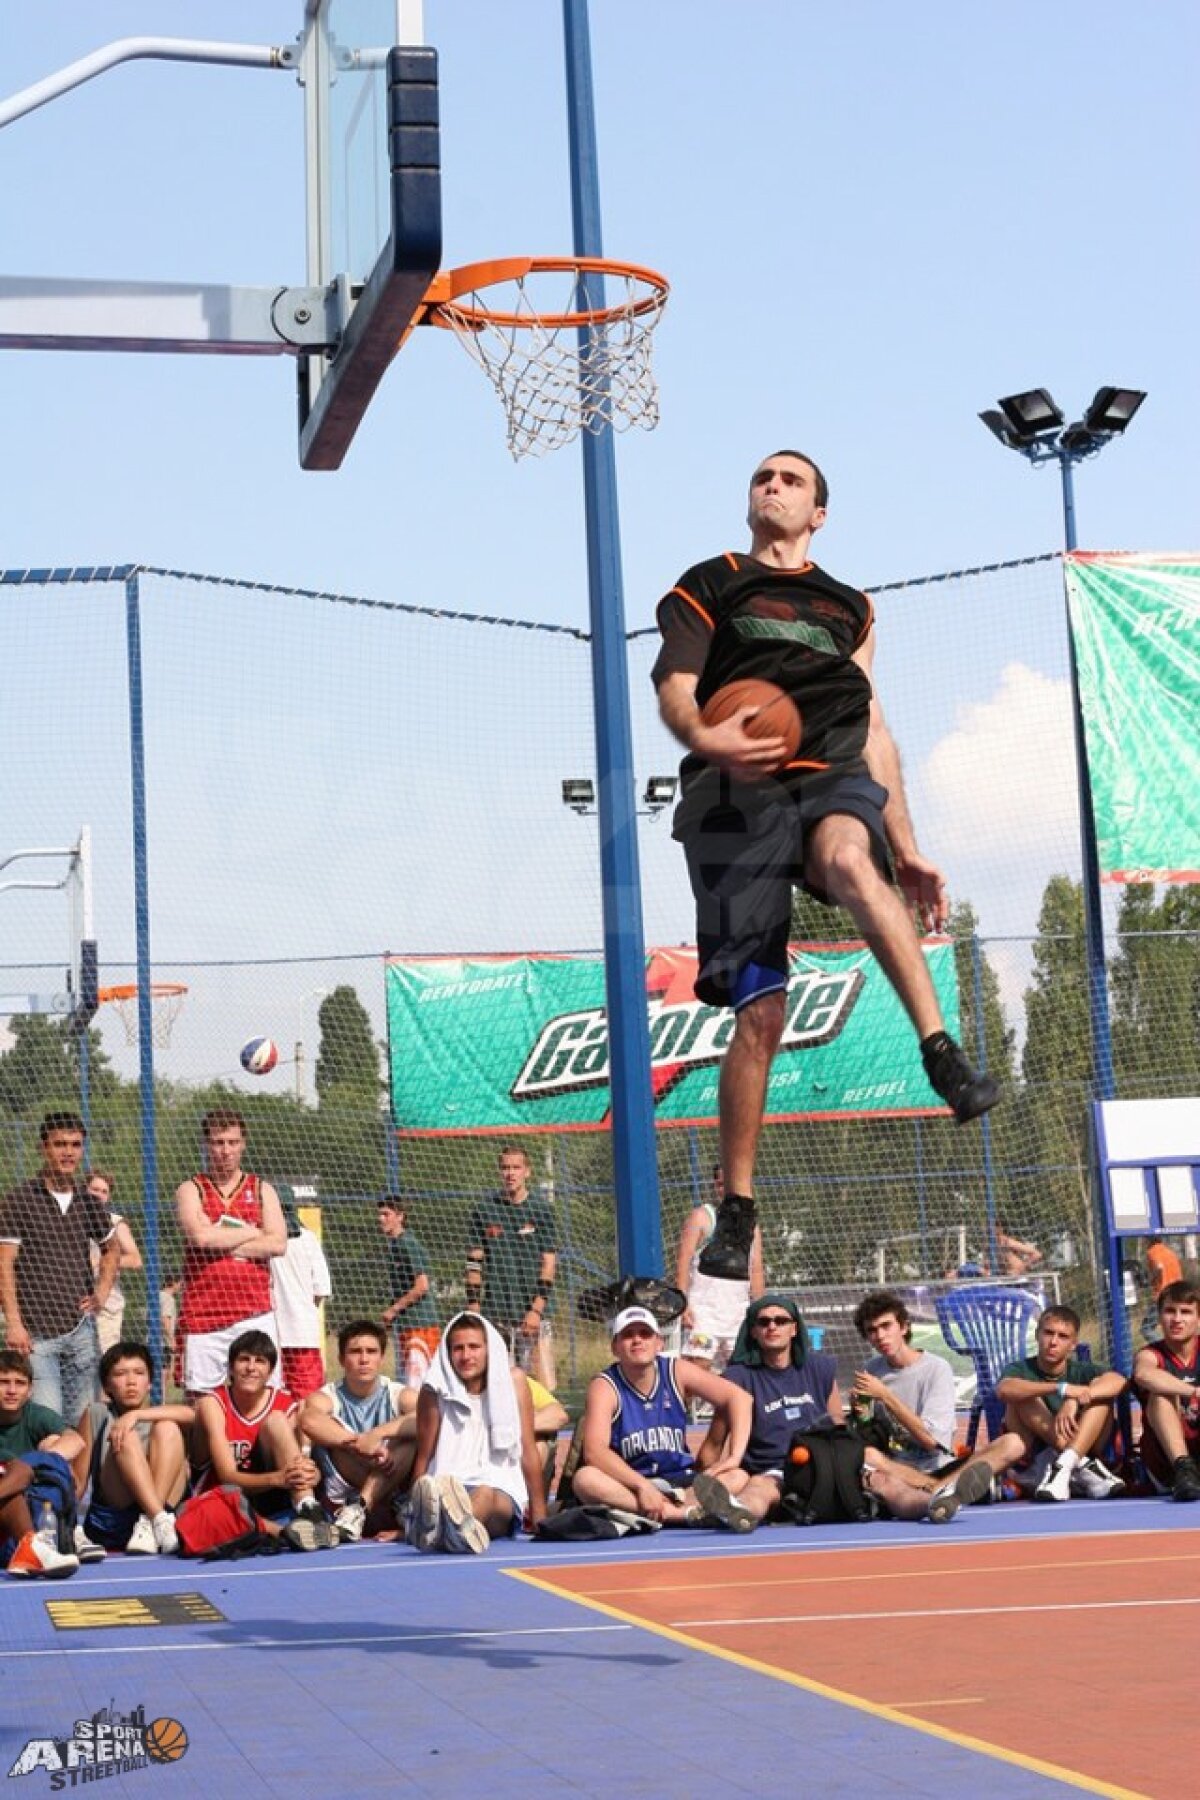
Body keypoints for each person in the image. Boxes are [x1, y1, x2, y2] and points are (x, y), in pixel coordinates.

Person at [652, 451, 999, 1279]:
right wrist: (704, 735)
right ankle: (737, 1206)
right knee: (761, 1017)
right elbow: (674, 682)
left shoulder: (852, 607)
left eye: (791, 480)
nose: (773, 486)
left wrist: (907, 846)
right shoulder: (713, 580)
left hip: (829, 769)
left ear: (820, 513)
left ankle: (939, 1050)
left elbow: (874, 724)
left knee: (851, 858)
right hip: (736, 789)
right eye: (762, 478)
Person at [849, 1289, 1023, 1522]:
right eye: (872, 1330)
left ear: (904, 1327)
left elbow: (931, 1441)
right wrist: (861, 1414)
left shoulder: (936, 1368)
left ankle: (938, 1488)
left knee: (1013, 1443)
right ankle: (946, 1493)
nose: (880, 1336)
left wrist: (886, 1396)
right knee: (867, 1455)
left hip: (940, 1467)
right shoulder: (872, 1369)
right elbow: (869, 1433)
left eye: (886, 1326)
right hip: (897, 1471)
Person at [572, 1306, 751, 1527]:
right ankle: (683, 1514)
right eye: (628, 1335)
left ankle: (678, 1510)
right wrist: (642, 1486)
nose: (637, 1340)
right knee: (586, 1479)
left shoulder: (676, 1371)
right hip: (631, 1482)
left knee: (738, 1475)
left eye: (645, 1334)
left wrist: (734, 1456)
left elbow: (740, 1398)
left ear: (659, 1343)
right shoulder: (605, 1386)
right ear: (615, 1347)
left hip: (682, 1482)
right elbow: (594, 1451)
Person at [0, 1112, 119, 1420]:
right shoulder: (19, 1200)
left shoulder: (88, 1201)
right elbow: (4, 1264)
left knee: (83, 1423)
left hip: (81, 1331)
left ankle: (82, 1472)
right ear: (44, 1148)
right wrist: (13, 1323)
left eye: (76, 1145)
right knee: (49, 1421)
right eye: (60, 1144)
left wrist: (101, 1293)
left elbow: (111, 1249)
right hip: (36, 1335)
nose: (68, 1152)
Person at [406, 1311, 545, 1554]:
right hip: (448, 1486)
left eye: (474, 1347)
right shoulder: (434, 1390)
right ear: (448, 1353)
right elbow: (424, 1456)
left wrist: (540, 1514)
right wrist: (412, 1514)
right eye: (458, 1348)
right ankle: (452, 1532)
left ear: (489, 1349)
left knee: (485, 1493)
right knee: (457, 1497)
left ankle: (445, 1532)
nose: (466, 1355)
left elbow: (528, 1448)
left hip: (500, 1491)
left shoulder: (514, 1382)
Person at [175, 1109, 286, 1396]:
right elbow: (199, 1238)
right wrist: (253, 1231)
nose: (226, 1150)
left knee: (262, 1399)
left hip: (253, 1313)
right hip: (203, 1315)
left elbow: (277, 1244)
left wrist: (219, 1237)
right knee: (201, 1403)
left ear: (243, 1143)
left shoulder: (262, 1189)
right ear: (206, 1144)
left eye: (233, 1142)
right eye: (218, 1142)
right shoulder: (191, 1189)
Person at [190, 1328, 333, 1548]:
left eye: (260, 1361)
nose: (251, 1367)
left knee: (276, 1420)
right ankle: (287, 1532)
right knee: (226, 1510)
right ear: (230, 1367)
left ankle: (308, 1509)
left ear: (270, 1371)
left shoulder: (285, 1404)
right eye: (243, 1360)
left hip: (272, 1499)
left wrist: (309, 1472)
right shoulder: (214, 1403)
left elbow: (301, 1460)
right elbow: (228, 1476)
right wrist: (279, 1478)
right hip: (231, 1498)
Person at [299, 1320, 417, 1542]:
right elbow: (308, 1420)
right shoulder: (328, 1395)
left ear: (381, 1358)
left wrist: (377, 1435)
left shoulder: (398, 1393)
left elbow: (426, 1419)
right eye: (355, 1352)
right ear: (342, 1360)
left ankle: (360, 1507)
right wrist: (359, 1444)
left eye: (371, 1352)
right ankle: (356, 1509)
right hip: (342, 1505)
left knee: (408, 1436)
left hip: (389, 1502)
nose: (364, 1359)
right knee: (336, 1437)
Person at [995, 1305, 1127, 1501]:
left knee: (1101, 1398)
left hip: (1084, 1461)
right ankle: (1076, 1465)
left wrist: (1075, 1398)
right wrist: (1061, 1388)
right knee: (1022, 1396)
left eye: (1063, 1336)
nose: (1053, 1342)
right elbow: (1004, 1390)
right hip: (1038, 1468)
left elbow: (1119, 1382)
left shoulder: (1083, 1370)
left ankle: (1066, 1464)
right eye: (1048, 1333)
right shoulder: (1020, 1369)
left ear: (1073, 1344)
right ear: (1037, 1335)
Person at [73, 1341, 191, 1557]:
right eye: (120, 1374)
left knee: (168, 1428)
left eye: (139, 1373)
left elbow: (193, 1415)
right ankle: (155, 1517)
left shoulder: (164, 1414)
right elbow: (79, 1482)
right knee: (125, 1436)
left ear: (149, 1382)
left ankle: (152, 1521)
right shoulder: (97, 1413)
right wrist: (64, 1522)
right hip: (117, 1514)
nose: (131, 1381)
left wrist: (135, 1415)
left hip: (166, 1519)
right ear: (106, 1385)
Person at [466, 1146, 557, 1387]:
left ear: (527, 1171)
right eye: (505, 1167)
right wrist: (474, 1307)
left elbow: (548, 1265)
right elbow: (474, 1263)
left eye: (516, 1167)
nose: (510, 1173)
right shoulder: (483, 1210)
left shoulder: (541, 1209)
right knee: (498, 1386)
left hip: (533, 1314)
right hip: (496, 1314)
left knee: (542, 1387)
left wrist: (536, 1311)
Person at [675, 1165, 765, 1400]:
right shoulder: (702, 1216)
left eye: (731, 1183)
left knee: (743, 1376)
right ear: (715, 1187)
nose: (725, 1189)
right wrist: (682, 1302)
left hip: (737, 1311)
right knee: (695, 1370)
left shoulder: (751, 1226)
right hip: (705, 1311)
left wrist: (761, 1308)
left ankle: (743, 1431)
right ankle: (675, 1425)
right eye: (720, 1184)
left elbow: (755, 1269)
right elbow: (683, 1259)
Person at [0, 1348, 85, 1578]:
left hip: (19, 1508)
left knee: (52, 1444)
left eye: (19, 1383)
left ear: (30, 1390)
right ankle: (33, 1548)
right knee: (16, 1474)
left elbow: (76, 1442)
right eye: (3, 1382)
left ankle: (32, 1546)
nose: (11, 1390)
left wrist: (39, 1461)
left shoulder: (35, 1414)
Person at [1133, 1280, 1200, 1502]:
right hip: (1165, 1463)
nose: (1177, 1319)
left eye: (1186, 1312)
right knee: (1161, 1394)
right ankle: (1184, 1468)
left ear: (1198, 1318)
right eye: (1170, 1311)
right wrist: (1193, 1392)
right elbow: (1144, 1375)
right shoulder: (1150, 1354)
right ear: (1160, 1317)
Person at [269, 1187, 332, 1401]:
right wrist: (303, 1309)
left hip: (272, 1331)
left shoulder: (263, 1240)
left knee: (276, 1397)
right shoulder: (308, 1239)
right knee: (308, 1399)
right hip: (302, 1331)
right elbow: (320, 1289)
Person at [376, 1196, 440, 1387]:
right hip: (406, 1325)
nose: (381, 1219)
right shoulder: (394, 1245)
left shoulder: (407, 1243)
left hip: (420, 1325)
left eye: (386, 1214)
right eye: (379, 1214)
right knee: (405, 1381)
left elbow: (422, 1286)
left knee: (417, 1384)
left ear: (400, 1216)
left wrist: (393, 1309)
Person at [85, 1170, 143, 1357]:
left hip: (107, 1305)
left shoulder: (115, 1223)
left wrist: (102, 1262)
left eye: (104, 1191)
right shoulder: (70, 1221)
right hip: (74, 1301)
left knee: (103, 1361)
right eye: (94, 1189)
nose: (99, 1195)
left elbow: (135, 1259)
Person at [1141, 1237, 1184, 1343]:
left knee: (1147, 1329)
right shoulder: (1170, 1252)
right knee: (1171, 1327)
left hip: (1163, 1295)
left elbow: (1159, 1267)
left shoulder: (1153, 1251)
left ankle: (1166, 1350)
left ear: (1148, 1240)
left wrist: (1150, 1279)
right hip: (1177, 1294)